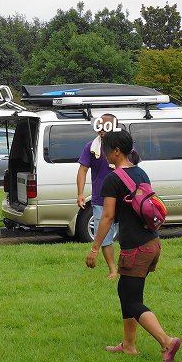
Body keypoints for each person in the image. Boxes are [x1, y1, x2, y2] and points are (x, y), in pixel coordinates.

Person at [86, 130, 181, 362]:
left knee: (131, 300)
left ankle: (167, 342)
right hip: (152, 242)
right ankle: (128, 346)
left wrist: (95, 247)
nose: (104, 155)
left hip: (136, 248)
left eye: (106, 150)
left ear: (116, 151)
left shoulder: (112, 179)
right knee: (128, 292)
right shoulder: (141, 172)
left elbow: (107, 217)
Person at [77, 114, 119, 279]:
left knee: (129, 233)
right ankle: (112, 269)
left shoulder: (123, 146)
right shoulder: (91, 147)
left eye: (106, 125)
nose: (102, 128)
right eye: (99, 125)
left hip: (123, 199)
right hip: (101, 199)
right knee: (105, 235)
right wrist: (80, 193)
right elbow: (82, 170)